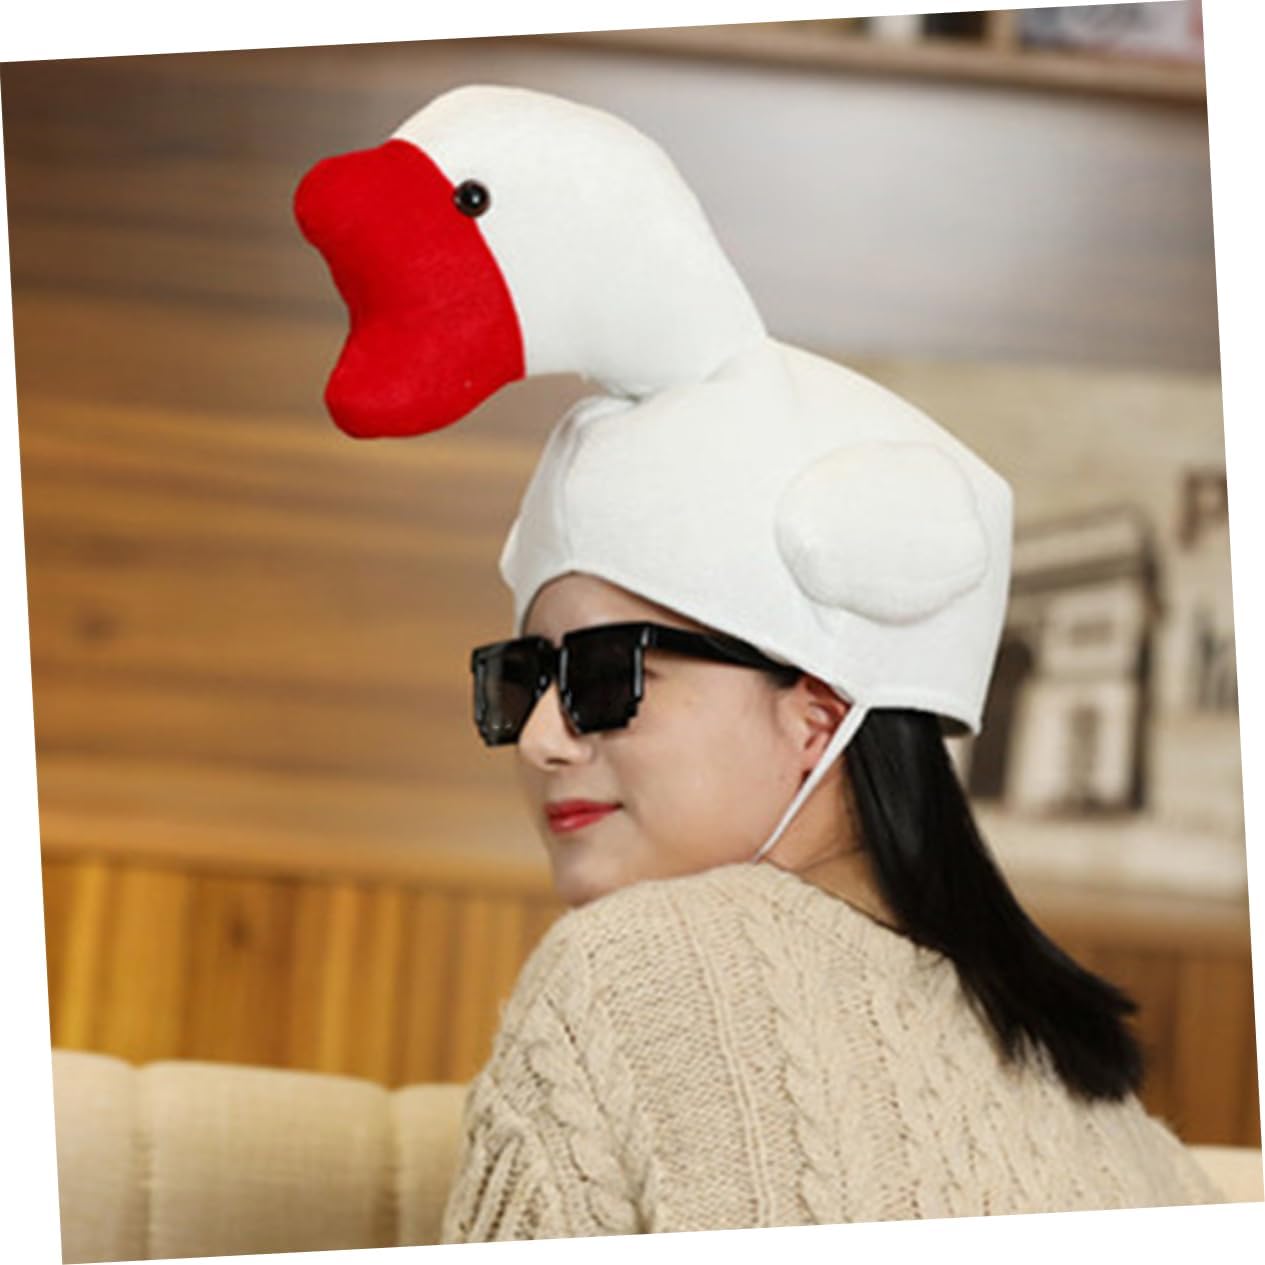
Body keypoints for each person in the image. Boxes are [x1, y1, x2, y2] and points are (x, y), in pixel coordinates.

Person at [292, 83, 1227, 1241]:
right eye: (521, 679)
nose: (538, 737)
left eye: (603, 674)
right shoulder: (1119, 1120)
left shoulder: (624, 971)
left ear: (817, 710)